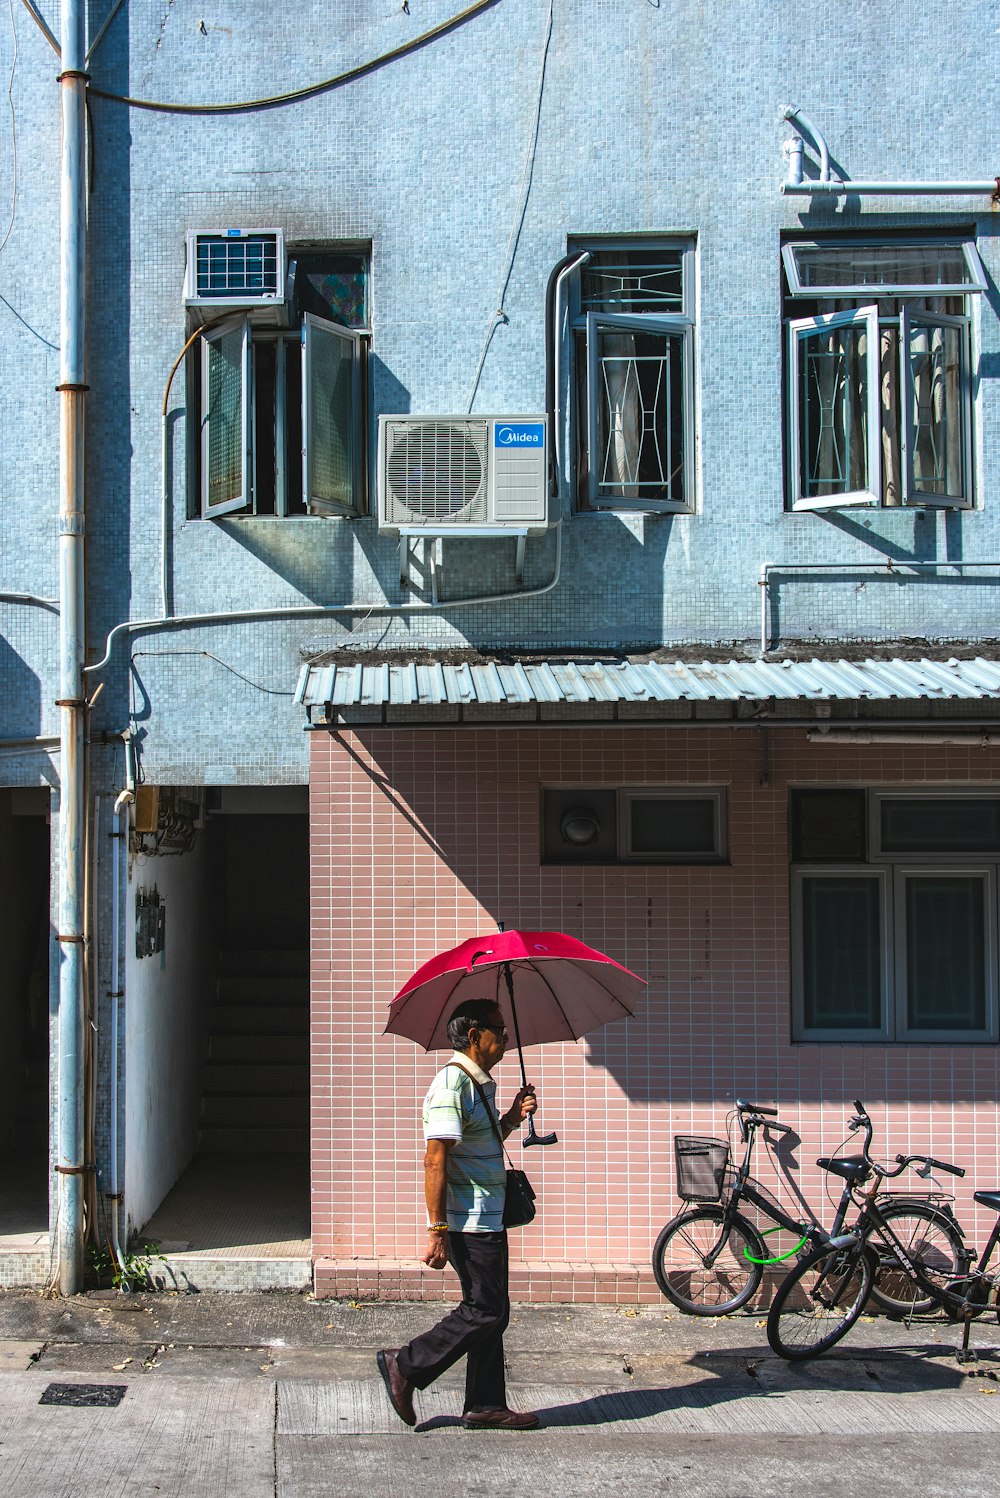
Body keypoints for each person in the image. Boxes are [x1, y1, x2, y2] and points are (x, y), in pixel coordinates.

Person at [377, 997, 541, 1430]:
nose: (506, 1037)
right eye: (498, 1030)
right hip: (467, 1220)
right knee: (484, 1309)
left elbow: (480, 1142)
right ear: (474, 1036)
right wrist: (437, 1230)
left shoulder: (478, 1082)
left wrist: (508, 1116)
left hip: (489, 1214)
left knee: (493, 1310)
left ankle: (485, 1404)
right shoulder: (452, 1084)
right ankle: (406, 1364)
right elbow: (435, 1158)